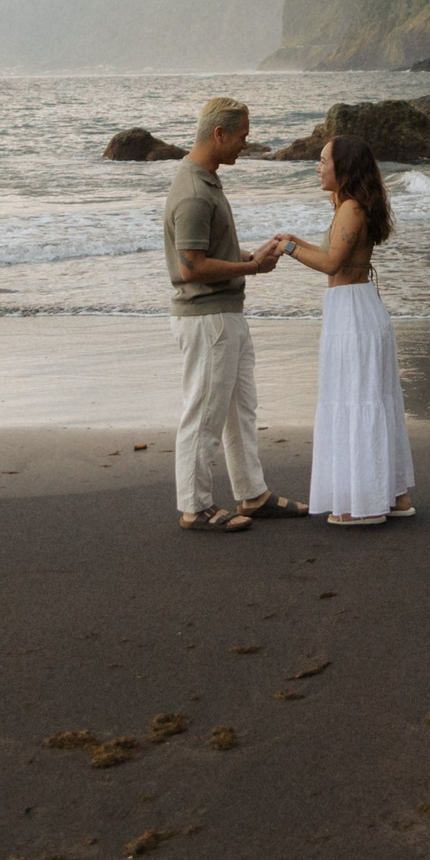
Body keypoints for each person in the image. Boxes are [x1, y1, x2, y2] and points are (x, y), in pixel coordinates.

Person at [164, 95, 309, 533]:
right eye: (242, 136)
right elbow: (191, 267)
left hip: (224, 314)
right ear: (219, 133)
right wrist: (251, 267)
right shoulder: (193, 190)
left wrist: (249, 256)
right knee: (205, 412)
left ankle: (252, 494)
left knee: (239, 408)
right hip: (207, 317)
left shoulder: (204, 181)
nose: (246, 144)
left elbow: (209, 254)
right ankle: (194, 506)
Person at [273, 135, 414, 526]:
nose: (317, 167)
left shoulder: (351, 208)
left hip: (352, 314)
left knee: (357, 400)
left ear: (343, 167)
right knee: (372, 399)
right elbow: (331, 253)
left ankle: (362, 504)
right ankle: (395, 495)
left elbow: (332, 263)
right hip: (354, 309)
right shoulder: (349, 206)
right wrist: (292, 240)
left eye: (322, 161)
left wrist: (288, 251)